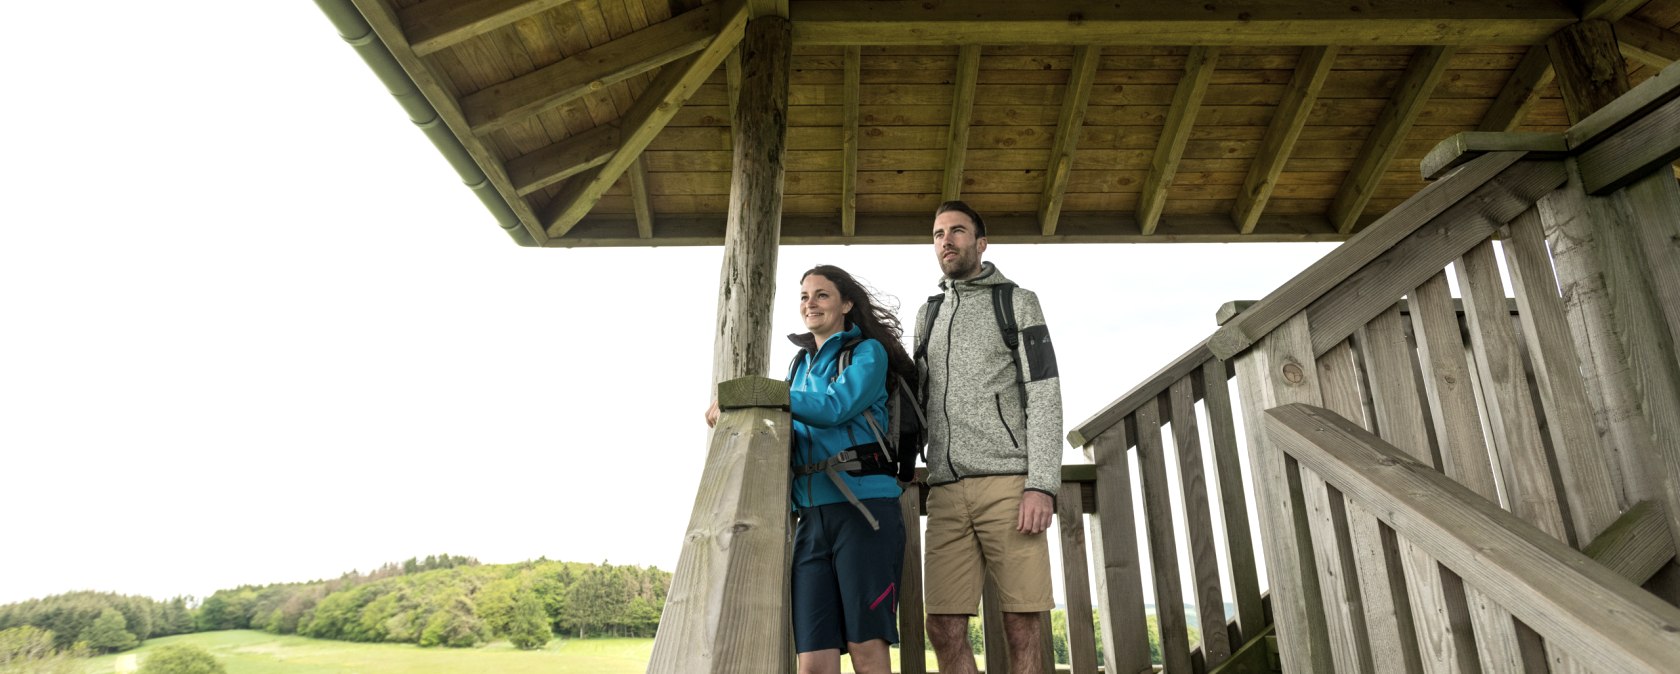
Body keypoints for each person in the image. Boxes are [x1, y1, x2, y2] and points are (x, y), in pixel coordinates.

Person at [705, 265, 915, 674]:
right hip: (810, 521)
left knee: (866, 651)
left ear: (847, 304)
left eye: (822, 295)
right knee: (813, 662)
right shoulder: (798, 366)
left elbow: (834, 408)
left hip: (864, 512)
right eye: (804, 296)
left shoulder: (866, 353)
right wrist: (737, 404)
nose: (810, 303)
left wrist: (756, 388)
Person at [916, 201, 1063, 674]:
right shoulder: (929, 313)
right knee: (941, 623)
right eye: (939, 234)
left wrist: (1041, 483)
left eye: (958, 231)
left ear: (981, 242)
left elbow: (1045, 393)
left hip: (1010, 484)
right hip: (944, 488)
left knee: (1022, 620)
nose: (947, 241)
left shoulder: (1017, 302)